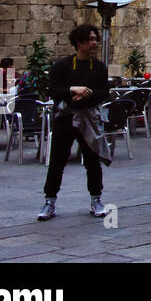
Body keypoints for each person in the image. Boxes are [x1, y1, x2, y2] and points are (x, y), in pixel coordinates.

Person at [37, 24, 111, 222]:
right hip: (66, 118)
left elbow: (104, 92)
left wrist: (89, 94)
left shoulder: (99, 67)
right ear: (79, 42)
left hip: (88, 118)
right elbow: (53, 90)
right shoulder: (62, 66)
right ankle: (49, 201)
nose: (94, 43)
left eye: (95, 39)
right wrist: (72, 90)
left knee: (92, 161)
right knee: (57, 161)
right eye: (90, 39)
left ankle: (96, 199)